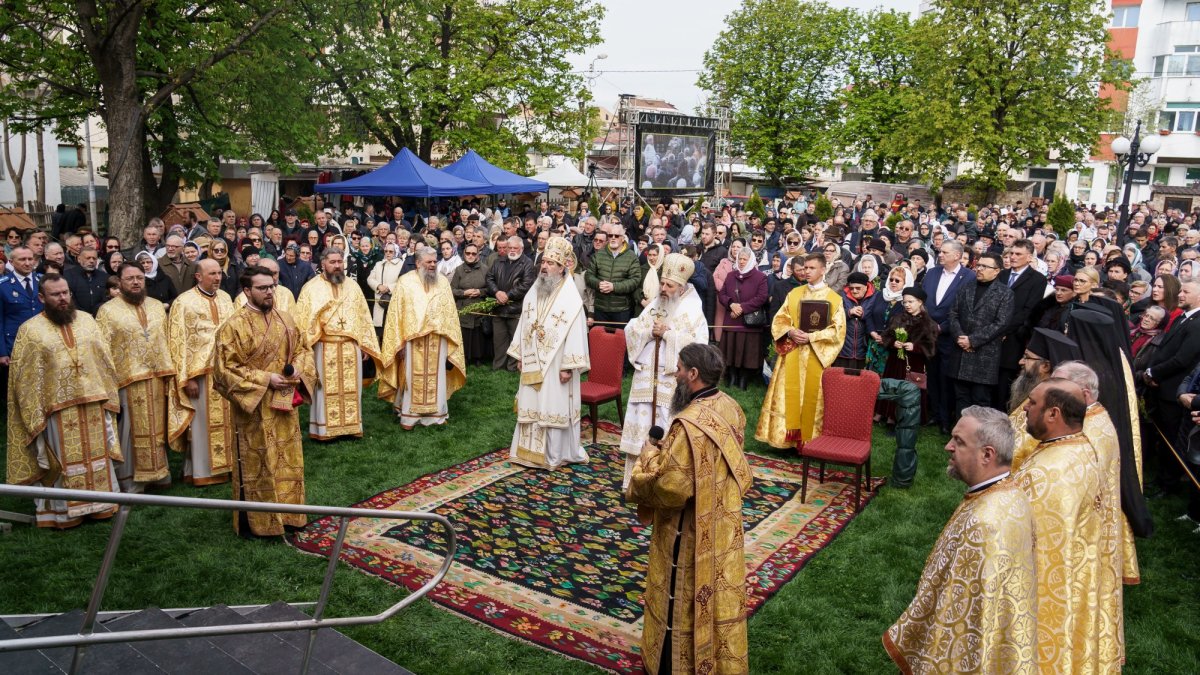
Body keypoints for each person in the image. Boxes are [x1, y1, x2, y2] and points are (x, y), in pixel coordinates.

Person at [625, 343, 751, 675]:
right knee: (715, 591)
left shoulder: (687, 425)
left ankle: (675, 665)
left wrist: (648, 458)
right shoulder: (732, 407)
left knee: (683, 594)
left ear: (693, 375)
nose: (676, 374)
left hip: (691, 528)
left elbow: (673, 487)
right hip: (722, 519)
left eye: (679, 368)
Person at [884, 406, 1036, 674]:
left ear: (987, 454)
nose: (947, 447)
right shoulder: (1009, 492)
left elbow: (958, 616)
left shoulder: (984, 524)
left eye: (959, 441)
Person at [1013, 379, 1122, 673]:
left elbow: (1037, 553)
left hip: (1051, 592)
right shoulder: (1078, 446)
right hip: (1081, 571)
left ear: (1053, 414)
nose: (1025, 407)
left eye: (1033, 402)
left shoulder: (1051, 474)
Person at [5, 274, 122, 528]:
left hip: (93, 400)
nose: (62, 298)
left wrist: (107, 391)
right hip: (56, 409)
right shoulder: (30, 330)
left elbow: (104, 359)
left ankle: (101, 504)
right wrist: (36, 411)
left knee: (97, 456)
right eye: (55, 294)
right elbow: (23, 379)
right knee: (65, 462)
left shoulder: (88, 321)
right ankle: (63, 512)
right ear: (41, 298)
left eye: (65, 293)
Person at [212, 266, 316, 537]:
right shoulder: (233, 326)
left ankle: (291, 516)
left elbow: (304, 350)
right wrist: (265, 379)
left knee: (288, 459)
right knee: (259, 462)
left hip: (284, 403)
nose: (269, 292)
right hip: (254, 409)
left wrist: (294, 371)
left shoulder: (286, 319)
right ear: (247, 291)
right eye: (262, 288)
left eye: (271, 286)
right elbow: (224, 370)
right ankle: (259, 523)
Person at [620, 253, 709, 487]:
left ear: (681, 287)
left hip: (672, 382)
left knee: (667, 428)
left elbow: (699, 347)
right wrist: (650, 332)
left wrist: (670, 334)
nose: (663, 288)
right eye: (662, 283)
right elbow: (634, 329)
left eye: (669, 285)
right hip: (645, 379)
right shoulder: (655, 305)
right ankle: (635, 482)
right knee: (641, 430)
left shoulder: (693, 310)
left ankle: (665, 483)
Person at [507, 237, 590, 470]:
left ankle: (552, 455)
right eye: (544, 261)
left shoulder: (571, 298)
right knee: (531, 403)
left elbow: (576, 333)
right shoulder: (534, 290)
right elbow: (525, 322)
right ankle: (525, 452)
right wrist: (522, 354)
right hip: (533, 360)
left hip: (556, 363)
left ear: (562, 267)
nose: (544, 267)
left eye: (551, 263)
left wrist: (568, 366)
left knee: (552, 405)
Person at [96, 263, 174, 493]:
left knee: (157, 427)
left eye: (139, 277)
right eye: (130, 278)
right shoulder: (107, 311)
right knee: (130, 430)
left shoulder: (157, 306)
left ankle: (160, 472)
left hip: (157, 375)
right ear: (119, 282)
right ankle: (132, 478)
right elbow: (102, 349)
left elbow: (166, 338)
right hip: (127, 378)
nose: (135, 282)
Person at [757, 253, 847, 449]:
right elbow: (780, 319)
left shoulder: (834, 299)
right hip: (792, 354)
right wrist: (790, 330)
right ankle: (784, 439)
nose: (806, 271)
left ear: (823, 270)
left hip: (815, 357)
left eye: (811, 268)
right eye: (805, 268)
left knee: (812, 400)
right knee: (787, 396)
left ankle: (809, 442)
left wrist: (811, 337)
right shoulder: (795, 294)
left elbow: (837, 331)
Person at [294, 248, 383, 440]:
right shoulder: (311, 288)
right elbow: (303, 321)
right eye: (332, 262)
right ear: (323, 263)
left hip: (351, 347)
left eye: (340, 261)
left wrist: (364, 344)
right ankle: (324, 430)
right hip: (324, 347)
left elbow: (363, 317)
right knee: (325, 389)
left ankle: (351, 427)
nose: (337, 265)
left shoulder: (353, 286)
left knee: (351, 389)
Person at [378, 247, 466, 429]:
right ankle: (410, 416)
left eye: (435, 261)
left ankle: (436, 415)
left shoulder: (442, 282)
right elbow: (396, 315)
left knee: (437, 377)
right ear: (418, 263)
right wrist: (399, 342)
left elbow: (449, 312)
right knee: (411, 377)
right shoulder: (405, 282)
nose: (433, 265)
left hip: (437, 338)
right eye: (429, 262)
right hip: (412, 340)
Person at [167, 259, 236, 486]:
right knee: (201, 426)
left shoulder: (226, 298)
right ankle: (201, 470)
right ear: (198, 276)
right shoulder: (183, 303)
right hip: (199, 376)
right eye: (212, 274)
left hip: (225, 371)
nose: (218, 278)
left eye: (219, 273)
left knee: (229, 422)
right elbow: (177, 343)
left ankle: (228, 468)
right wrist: (186, 378)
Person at [949, 252, 1014, 416]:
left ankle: (979, 437)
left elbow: (1001, 323)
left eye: (985, 266)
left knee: (981, 399)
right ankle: (960, 433)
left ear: (997, 270)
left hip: (984, 355)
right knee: (960, 397)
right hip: (961, 351)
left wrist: (972, 340)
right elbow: (953, 314)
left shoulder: (1005, 293)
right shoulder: (966, 287)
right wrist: (961, 337)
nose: (980, 269)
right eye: (979, 265)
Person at [922, 240, 976, 434]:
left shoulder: (969, 277)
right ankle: (934, 413)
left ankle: (946, 419)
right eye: (940, 251)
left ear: (957, 255)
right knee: (932, 375)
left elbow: (965, 309)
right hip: (928, 334)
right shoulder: (932, 272)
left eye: (945, 252)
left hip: (949, 336)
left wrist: (942, 327)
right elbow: (924, 301)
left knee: (946, 378)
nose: (940, 254)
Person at [717, 247, 769, 389]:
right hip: (732, 318)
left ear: (750, 259)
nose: (741, 261)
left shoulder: (760, 277)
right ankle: (732, 376)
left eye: (744, 259)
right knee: (731, 350)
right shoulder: (730, 275)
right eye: (740, 258)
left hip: (749, 321)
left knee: (746, 352)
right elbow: (722, 294)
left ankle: (743, 379)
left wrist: (742, 308)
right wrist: (731, 304)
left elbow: (762, 297)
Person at [486, 236, 535, 371]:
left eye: (515, 248)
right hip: (499, 307)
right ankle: (499, 366)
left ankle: (512, 367)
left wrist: (508, 295)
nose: (512, 250)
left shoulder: (528, 263)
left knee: (516, 340)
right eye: (510, 248)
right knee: (499, 340)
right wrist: (497, 292)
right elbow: (489, 278)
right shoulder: (498, 261)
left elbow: (526, 285)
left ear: (522, 249)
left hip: (516, 310)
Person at [585, 223, 642, 327]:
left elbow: (635, 280)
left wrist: (614, 287)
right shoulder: (598, 255)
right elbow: (589, 276)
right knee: (601, 341)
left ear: (623, 238)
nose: (613, 238)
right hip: (600, 308)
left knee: (619, 341)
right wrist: (599, 284)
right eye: (610, 235)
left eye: (616, 236)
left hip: (621, 310)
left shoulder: (631, 257)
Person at [837, 271, 875, 369]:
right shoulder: (842, 296)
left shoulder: (875, 296)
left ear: (866, 287)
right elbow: (834, 316)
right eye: (851, 288)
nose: (854, 291)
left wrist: (863, 314)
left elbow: (875, 315)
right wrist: (849, 312)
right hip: (843, 349)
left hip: (864, 349)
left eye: (858, 288)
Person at [63, 246, 108, 316]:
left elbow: (106, 297)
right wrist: (84, 315)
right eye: (88, 258)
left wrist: (97, 311)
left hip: (99, 316)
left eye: (94, 258)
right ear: (79, 259)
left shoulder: (104, 276)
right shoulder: (68, 275)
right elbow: (69, 298)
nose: (91, 261)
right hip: (76, 316)